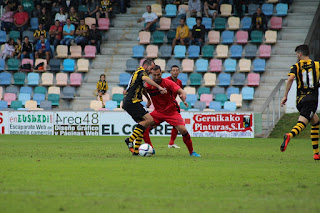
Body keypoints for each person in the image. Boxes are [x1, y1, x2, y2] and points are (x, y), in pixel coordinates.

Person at [143, 66, 201, 157]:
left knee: (183, 130)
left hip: (171, 112)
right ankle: (150, 148)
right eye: (154, 75)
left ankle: (192, 152)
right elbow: (143, 90)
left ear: (161, 73)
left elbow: (179, 90)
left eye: (158, 75)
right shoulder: (148, 85)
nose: (157, 77)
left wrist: (183, 94)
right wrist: (148, 99)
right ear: (151, 74)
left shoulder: (167, 82)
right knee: (143, 127)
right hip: (157, 112)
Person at [280, 45, 320, 161]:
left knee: (315, 123)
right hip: (311, 99)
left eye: (297, 54)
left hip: (299, 100)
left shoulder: (296, 66)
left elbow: (291, 79)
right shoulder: (317, 65)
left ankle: (316, 154)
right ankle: (289, 135)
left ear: (300, 54)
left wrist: (285, 96)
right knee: (302, 123)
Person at [122, 59, 167, 155]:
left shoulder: (138, 73)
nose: (151, 71)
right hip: (132, 102)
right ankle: (130, 140)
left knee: (143, 124)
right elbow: (146, 80)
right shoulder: (141, 72)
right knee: (150, 120)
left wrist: (148, 98)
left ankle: (136, 151)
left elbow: (143, 88)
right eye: (151, 68)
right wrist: (159, 87)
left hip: (130, 102)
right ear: (145, 66)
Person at [164, 65, 184, 148]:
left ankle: (171, 143)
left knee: (177, 123)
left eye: (176, 70)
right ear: (170, 72)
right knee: (152, 123)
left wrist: (184, 101)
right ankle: (139, 135)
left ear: (179, 72)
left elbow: (180, 93)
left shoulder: (179, 82)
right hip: (164, 106)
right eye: (173, 70)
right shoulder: (166, 81)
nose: (175, 72)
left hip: (173, 105)